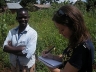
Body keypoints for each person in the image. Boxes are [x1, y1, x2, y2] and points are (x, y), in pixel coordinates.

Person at [42, 5, 94, 72]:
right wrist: (51, 56)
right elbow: (68, 57)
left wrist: (48, 64)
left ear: (74, 26)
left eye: (62, 29)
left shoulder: (82, 47)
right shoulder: (76, 40)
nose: (60, 32)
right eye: (58, 29)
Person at [3, 8, 37, 72]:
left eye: (25, 17)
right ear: (17, 18)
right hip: (14, 66)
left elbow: (27, 53)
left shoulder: (33, 33)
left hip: (27, 67)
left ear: (28, 18)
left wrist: (11, 48)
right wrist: (21, 48)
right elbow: (5, 48)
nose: (23, 19)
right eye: (20, 17)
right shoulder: (11, 32)